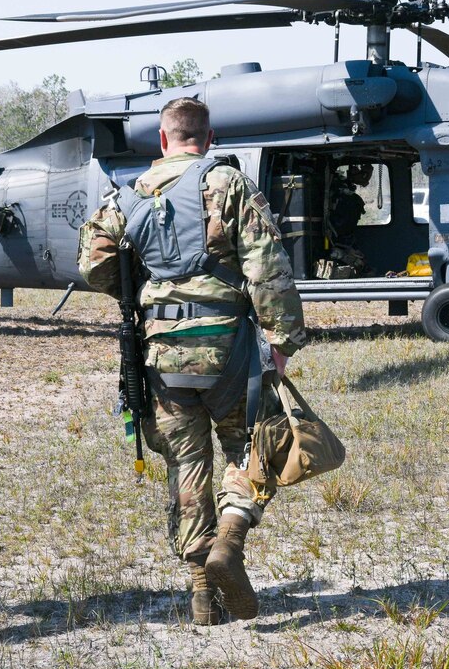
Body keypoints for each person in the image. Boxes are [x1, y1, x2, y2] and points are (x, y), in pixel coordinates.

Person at [79, 97, 306, 624]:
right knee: (256, 447)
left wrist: (144, 289)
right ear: (208, 139)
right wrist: (281, 339)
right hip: (229, 352)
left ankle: (203, 592)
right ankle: (230, 541)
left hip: (158, 356)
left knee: (186, 466)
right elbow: (268, 265)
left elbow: (93, 266)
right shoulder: (227, 184)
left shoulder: (128, 197)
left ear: (162, 140)